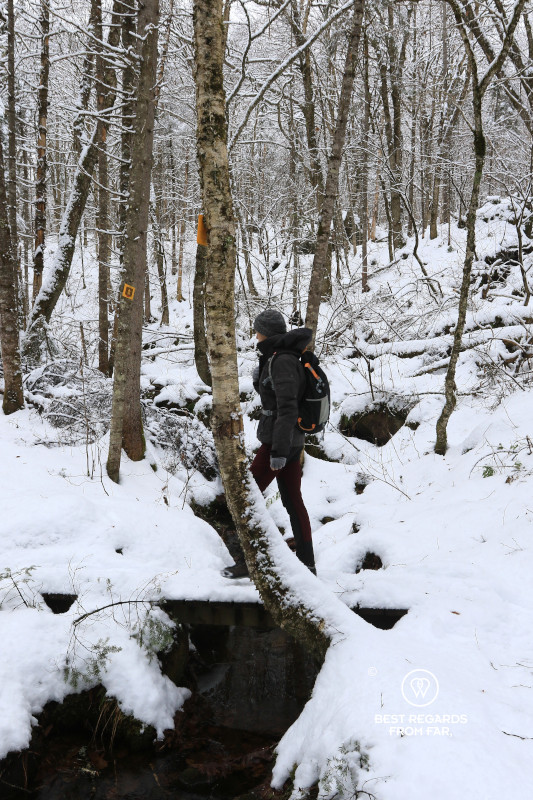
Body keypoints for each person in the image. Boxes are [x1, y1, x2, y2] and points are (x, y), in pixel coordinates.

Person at [223, 308, 316, 578]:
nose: (255, 335)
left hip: (280, 443)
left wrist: (277, 451)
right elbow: (277, 397)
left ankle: (249, 560)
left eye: (257, 330)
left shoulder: (283, 360)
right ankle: (307, 564)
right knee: (293, 501)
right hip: (288, 441)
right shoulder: (278, 357)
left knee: (245, 499)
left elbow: (287, 409)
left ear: (265, 332)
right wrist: (259, 381)